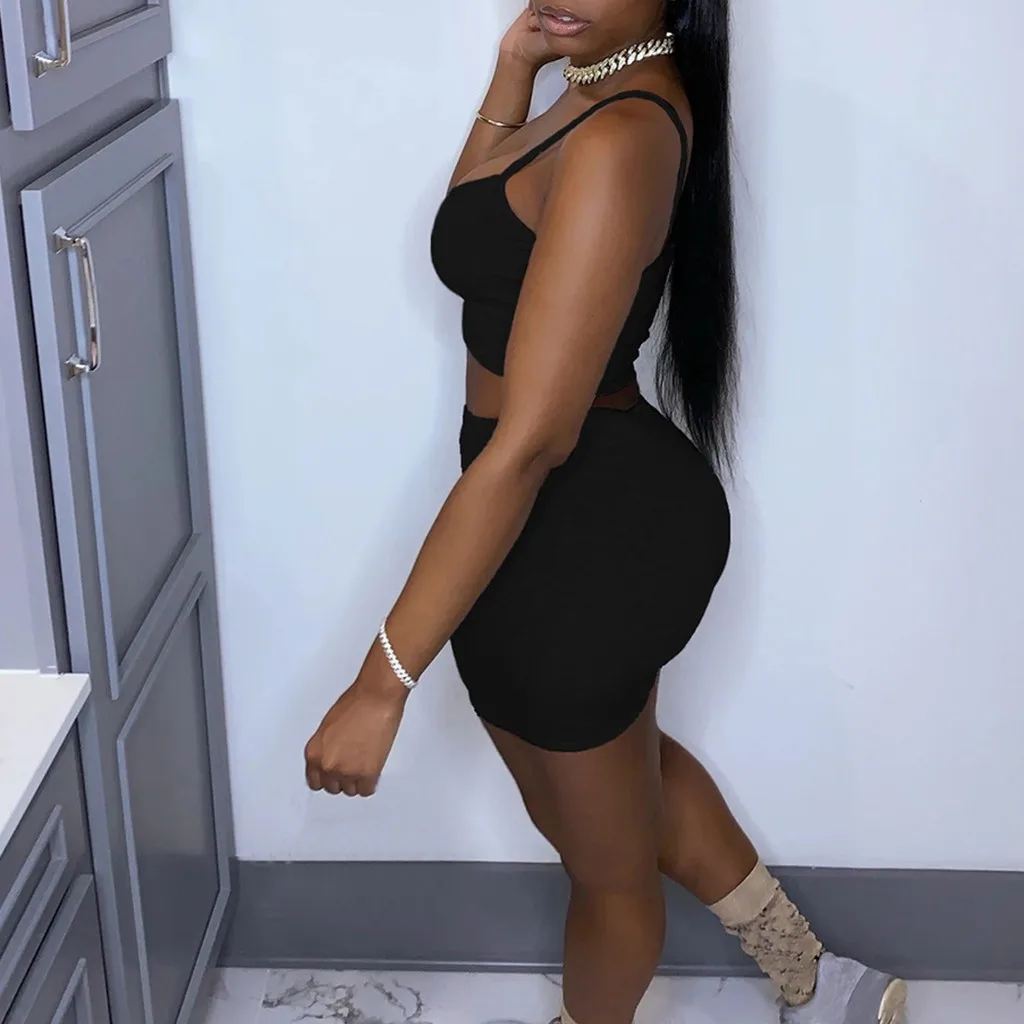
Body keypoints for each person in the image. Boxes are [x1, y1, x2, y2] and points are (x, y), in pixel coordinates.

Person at [304, 2, 907, 1023]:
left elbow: (534, 440)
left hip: (589, 519)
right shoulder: (592, 87)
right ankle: (817, 976)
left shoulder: (624, 131)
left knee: (606, 871)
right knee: (615, 784)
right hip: (527, 501)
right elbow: (474, 224)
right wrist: (513, 69)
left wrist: (380, 684)